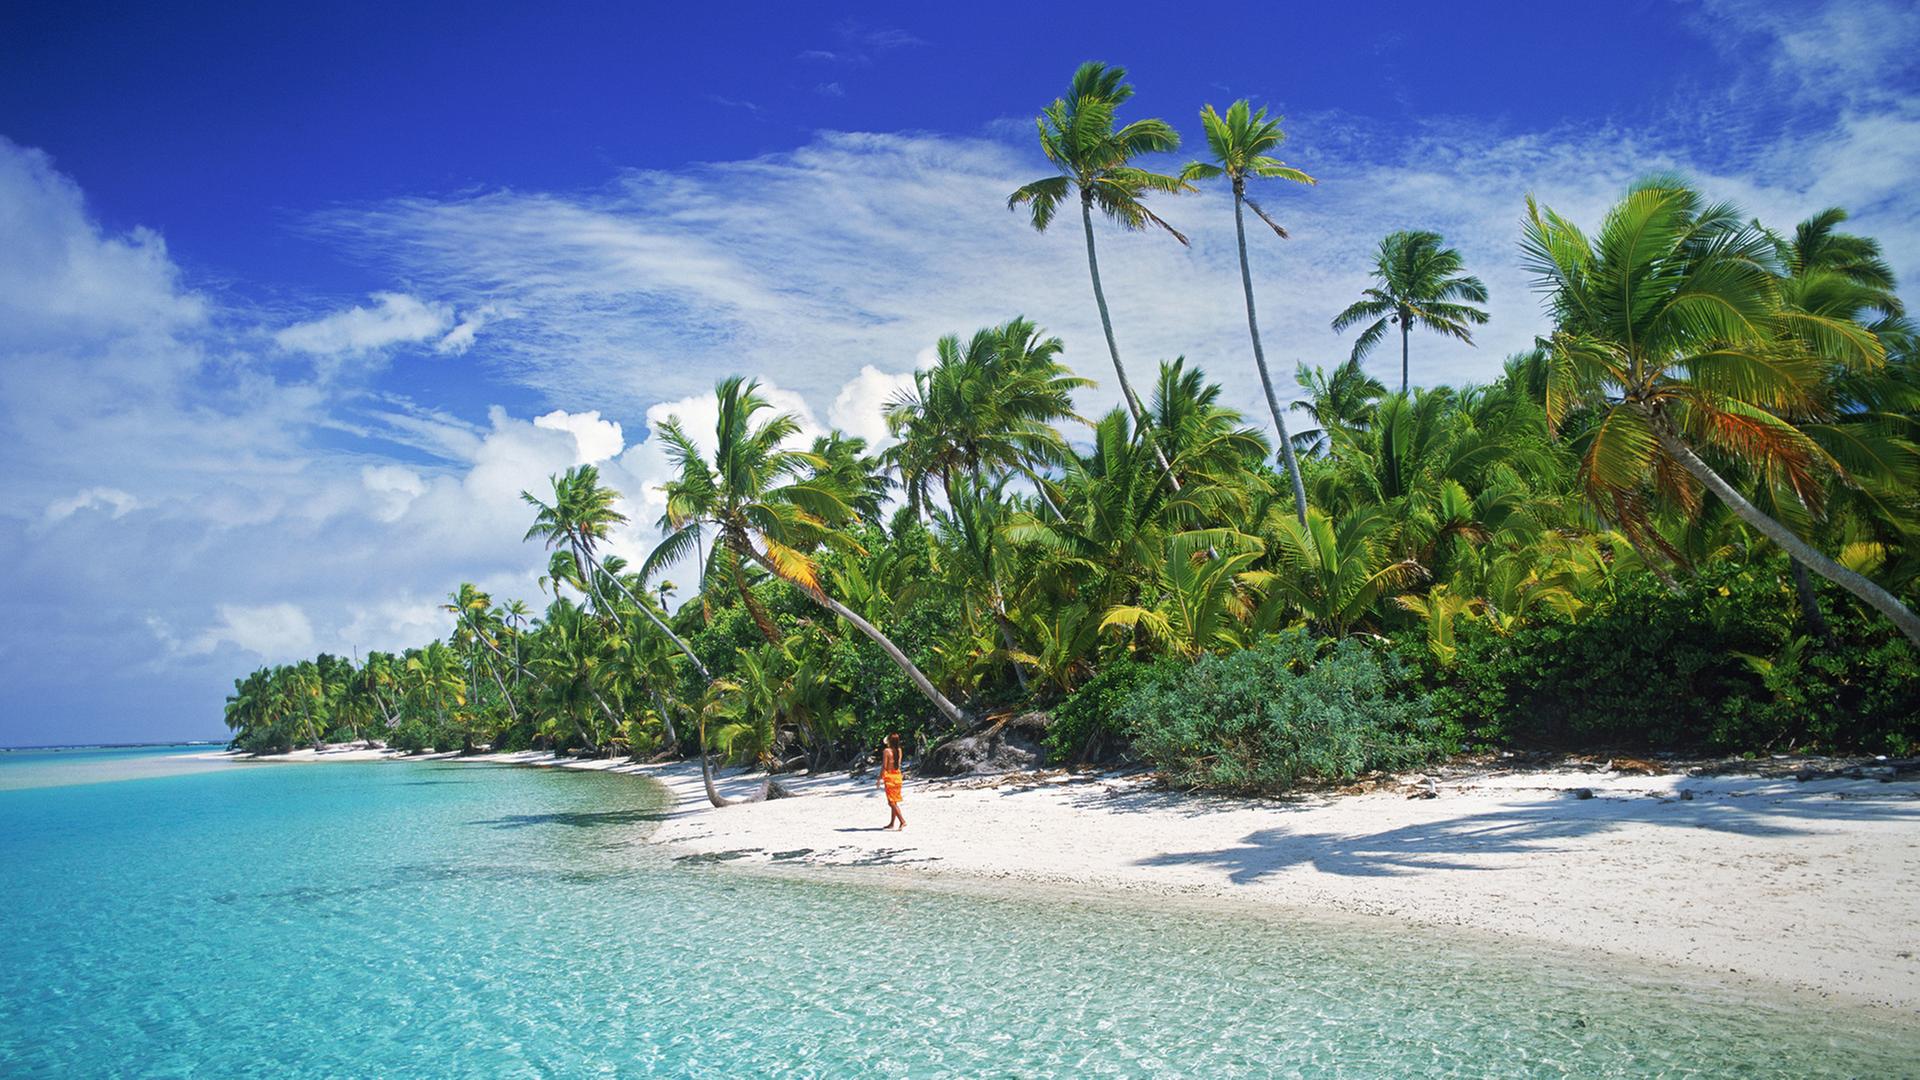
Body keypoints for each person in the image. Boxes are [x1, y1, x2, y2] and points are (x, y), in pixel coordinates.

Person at [879, 733, 906, 831]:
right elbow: (897, 764)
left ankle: (902, 821)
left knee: (891, 802)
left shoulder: (886, 751)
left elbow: (884, 766)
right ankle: (892, 823)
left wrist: (879, 779)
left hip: (890, 778)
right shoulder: (899, 750)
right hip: (898, 777)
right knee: (894, 801)